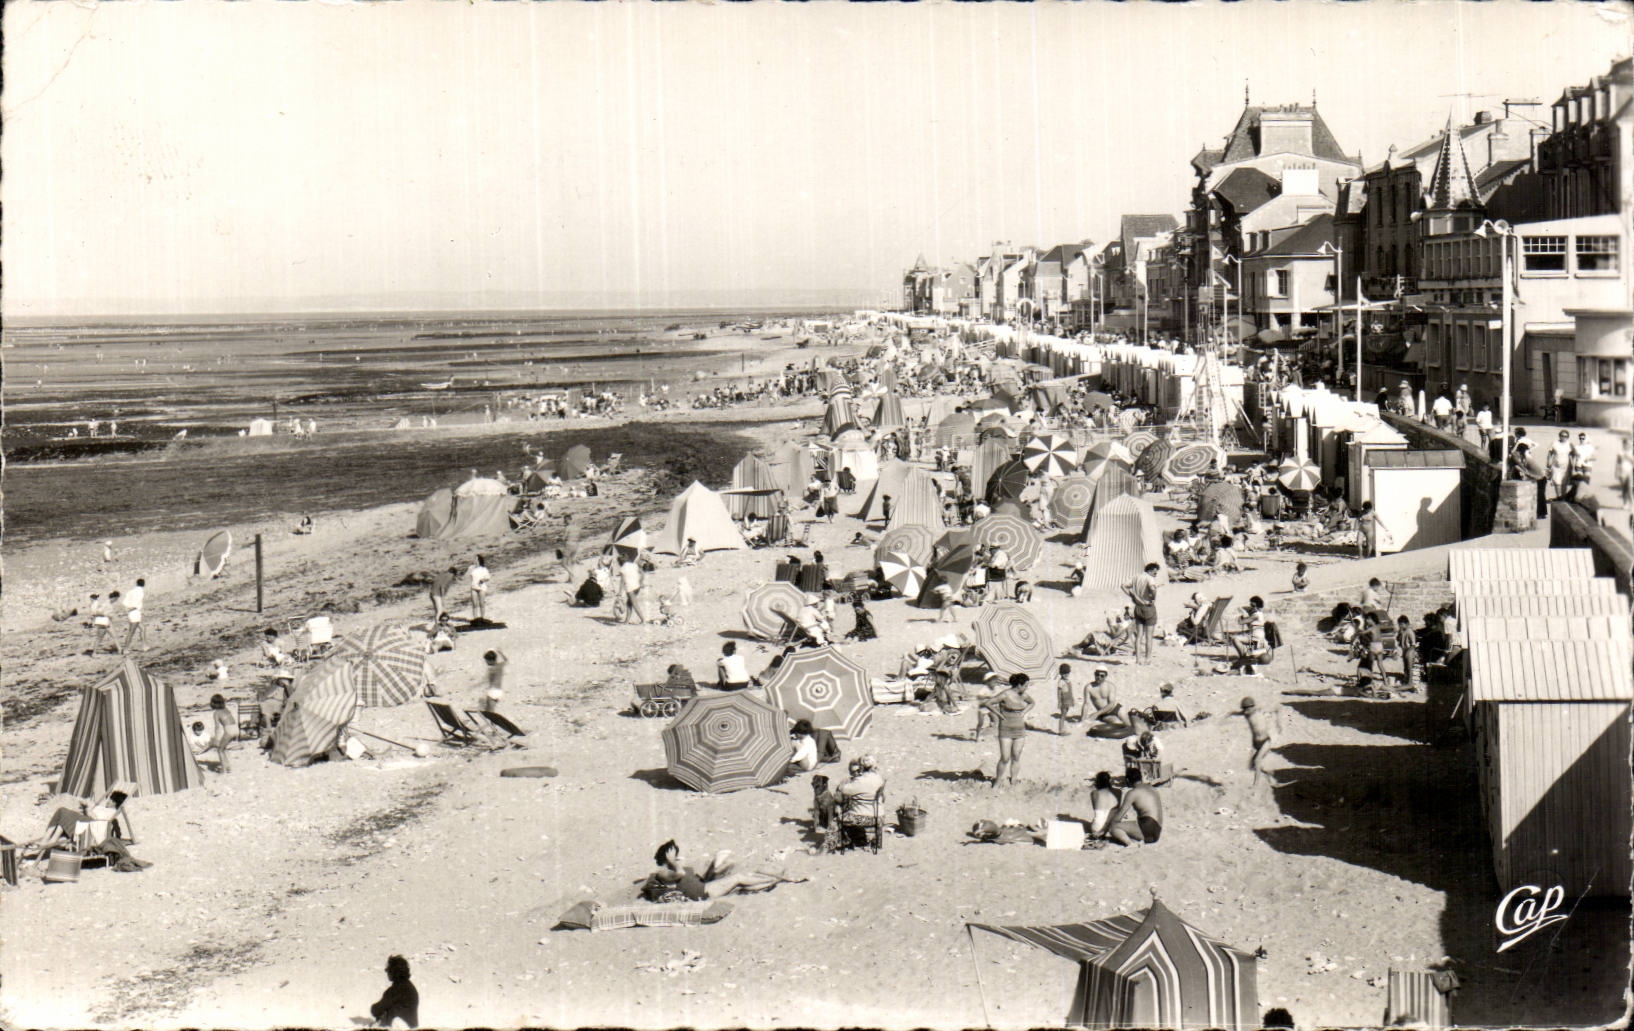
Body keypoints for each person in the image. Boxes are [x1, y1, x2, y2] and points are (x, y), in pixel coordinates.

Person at [982, 673, 1034, 789]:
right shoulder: (1005, 694)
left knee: (1016, 756)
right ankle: (997, 781)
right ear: (1019, 685)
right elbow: (988, 703)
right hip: (1005, 728)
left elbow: (1032, 703)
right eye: (1025, 685)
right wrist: (999, 715)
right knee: (1005, 757)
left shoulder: (1024, 695)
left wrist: (1024, 712)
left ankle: (1013, 780)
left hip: (1020, 729)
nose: (1027, 688)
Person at [1104, 765, 1163, 846]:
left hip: (1147, 827)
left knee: (1114, 828)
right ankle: (1136, 839)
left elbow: (1120, 815)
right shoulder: (1153, 789)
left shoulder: (1133, 793)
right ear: (1140, 778)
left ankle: (1130, 843)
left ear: (1128, 780)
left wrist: (1106, 827)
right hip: (1157, 831)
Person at [1234, 696, 1277, 791]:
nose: (1246, 711)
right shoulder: (1246, 714)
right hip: (1256, 743)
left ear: (1252, 707)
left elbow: (1272, 708)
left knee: (1257, 761)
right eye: (1244, 709)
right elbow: (1236, 713)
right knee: (1251, 766)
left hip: (1266, 741)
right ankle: (1269, 776)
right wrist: (1228, 714)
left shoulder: (1258, 712)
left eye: (1248, 709)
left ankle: (1256, 785)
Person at [1122, 563, 1160, 665]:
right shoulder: (1150, 578)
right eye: (1155, 571)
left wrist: (1132, 595)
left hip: (1138, 607)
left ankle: (1138, 659)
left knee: (1139, 635)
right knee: (1149, 636)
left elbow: (1123, 585)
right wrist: (1153, 598)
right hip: (1148, 607)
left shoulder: (1136, 577)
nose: (1156, 573)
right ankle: (1147, 659)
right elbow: (1153, 589)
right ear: (1150, 570)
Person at [369, 955, 419, 1028]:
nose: (387, 973)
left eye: (389, 970)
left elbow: (377, 1009)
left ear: (395, 971)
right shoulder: (409, 987)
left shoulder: (397, 989)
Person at [204, 693, 238, 773]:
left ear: (213, 703)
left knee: (220, 750)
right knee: (223, 748)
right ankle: (228, 767)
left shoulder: (216, 713)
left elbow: (217, 727)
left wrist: (216, 738)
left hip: (229, 730)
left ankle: (223, 769)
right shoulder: (226, 709)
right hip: (235, 728)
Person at [121, 578, 150, 652]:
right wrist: (132, 608)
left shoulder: (130, 591)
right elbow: (137, 604)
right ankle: (125, 649)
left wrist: (128, 609)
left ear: (137, 583)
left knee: (143, 628)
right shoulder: (141, 592)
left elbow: (124, 602)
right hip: (135, 613)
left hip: (131, 613)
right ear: (144, 584)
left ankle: (145, 646)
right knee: (131, 632)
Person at [1088, 771, 1120, 837]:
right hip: (1112, 826)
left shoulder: (1094, 793)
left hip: (1097, 827)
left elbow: (1095, 808)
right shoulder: (1118, 792)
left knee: (1097, 818)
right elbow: (1116, 809)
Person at [1052, 663, 1077, 737]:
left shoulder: (1067, 681)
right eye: (1064, 673)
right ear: (1060, 673)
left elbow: (1070, 691)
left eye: (1067, 673)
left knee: (1065, 714)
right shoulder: (1061, 682)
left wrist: (1072, 699)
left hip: (1068, 698)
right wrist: (1059, 702)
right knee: (1063, 715)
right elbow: (1059, 693)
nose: (1066, 675)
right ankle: (1061, 730)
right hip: (1064, 699)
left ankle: (1062, 728)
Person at [620, 554, 645, 624]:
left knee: (634, 604)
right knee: (629, 603)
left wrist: (619, 592)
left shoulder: (622, 568)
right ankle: (627, 621)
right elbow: (642, 573)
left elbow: (622, 581)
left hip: (629, 587)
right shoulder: (634, 565)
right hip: (637, 586)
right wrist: (641, 582)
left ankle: (643, 619)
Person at [1396, 614, 1420, 690]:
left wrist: (1409, 652)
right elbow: (1398, 639)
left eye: (1401, 624)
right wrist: (1399, 633)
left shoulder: (1410, 631)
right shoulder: (1402, 632)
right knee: (1405, 666)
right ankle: (1406, 679)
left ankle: (1410, 682)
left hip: (1410, 651)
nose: (1400, 626)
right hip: (1404, 650)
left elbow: (1413, 644)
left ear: (1406, 624)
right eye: (1399, 624)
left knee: (1409, 667)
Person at [467, 555, 491, 620]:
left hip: (481, 587)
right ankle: (475, 619)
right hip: (473, 587)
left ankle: (482, 618)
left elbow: (488, 577)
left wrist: (483, 580)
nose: (474, 560)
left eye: (476, 559)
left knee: (481, 603)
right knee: (474, 604)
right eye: (474, 559)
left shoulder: (483, 569)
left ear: (479, 560)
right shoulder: (471, 568)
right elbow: (467, 575)